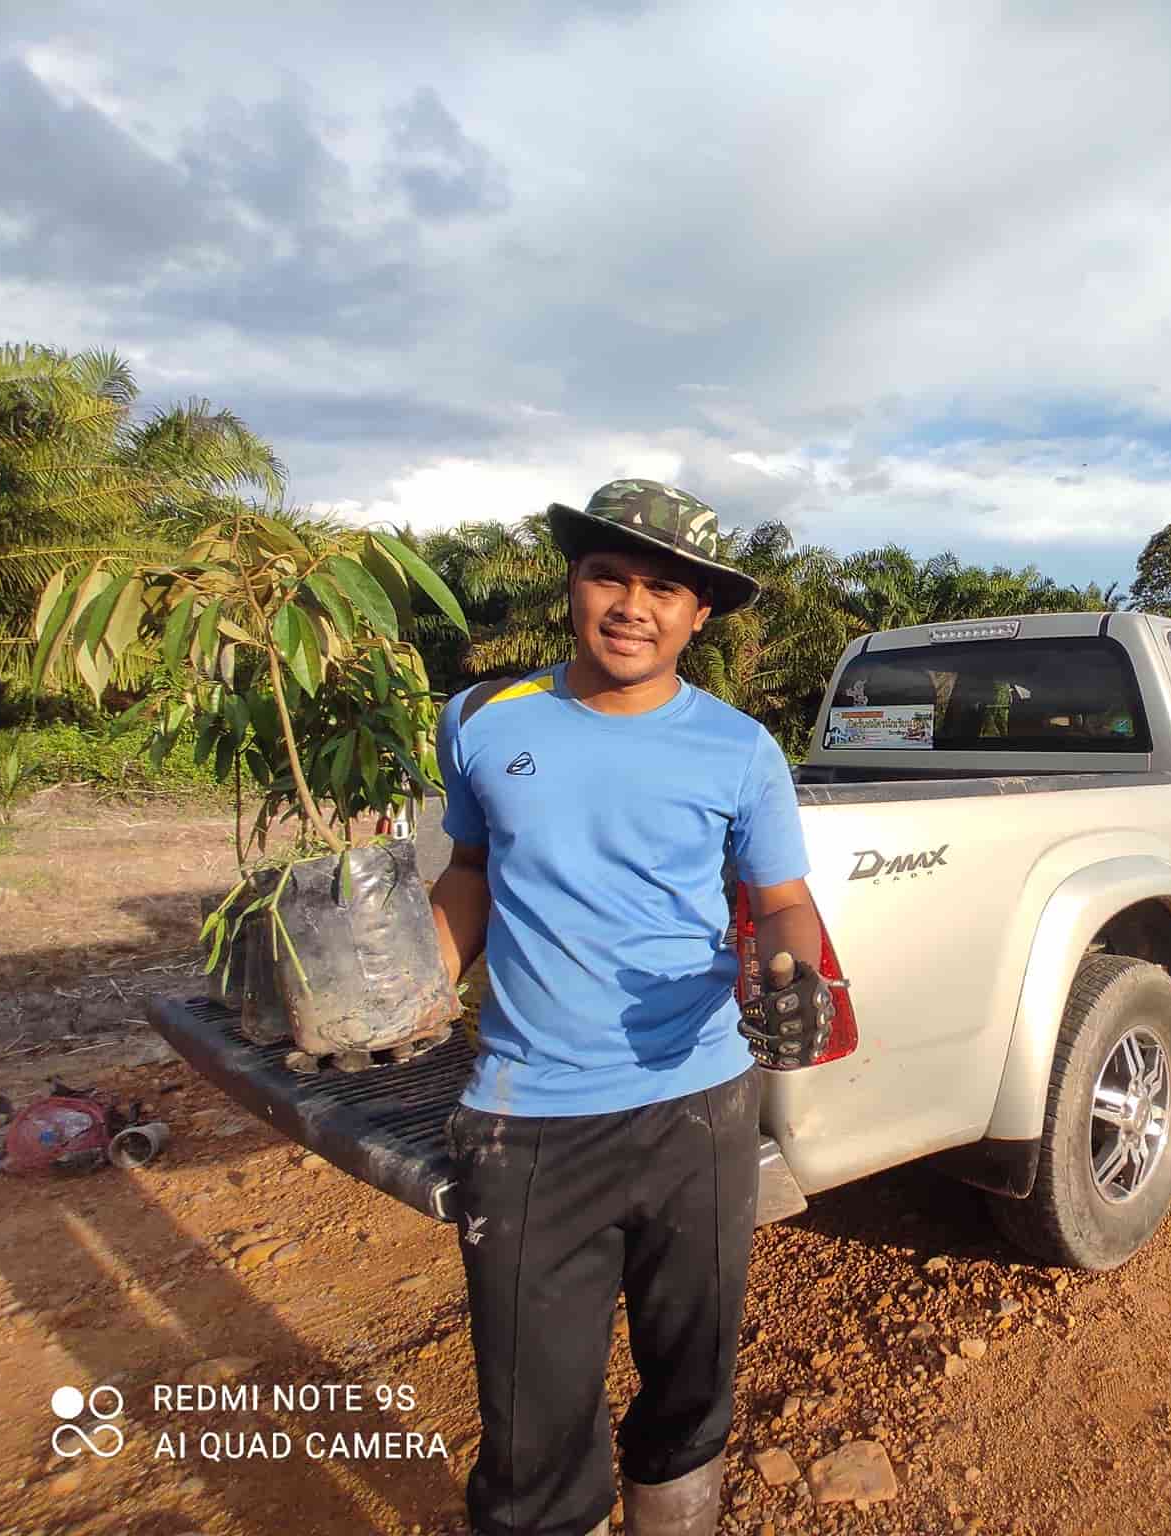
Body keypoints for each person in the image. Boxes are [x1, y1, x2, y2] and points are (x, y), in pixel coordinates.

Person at [428, 479, 837, 1536]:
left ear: (698, 616)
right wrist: (404, 982)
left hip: (694, 1108)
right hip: (527, 1119)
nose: (631, 604)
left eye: (665, 587)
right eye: (609, 573)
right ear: (573, 582)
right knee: (529, 1430)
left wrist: (793, 980)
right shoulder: (479, 720)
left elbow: (783, 906)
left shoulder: (739, 749)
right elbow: (469, 871)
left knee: (690, 1384)